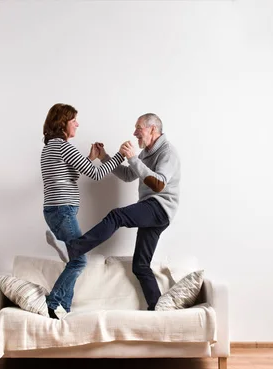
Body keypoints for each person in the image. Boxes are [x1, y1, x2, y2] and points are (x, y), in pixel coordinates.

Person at [47, 113, 181, 310]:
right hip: (152, 210)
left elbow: (159, 184)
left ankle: (74, 248)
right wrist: (105, 158)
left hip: (160, 207)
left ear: (153, 129)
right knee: (140, 266)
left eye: (139, 128)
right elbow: (128, 175)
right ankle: (159, 310)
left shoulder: (168, 152)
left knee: (117, 216)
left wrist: (133, 158)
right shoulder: (146, 153)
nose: (135, 133)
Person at [41, 103, 127, 319]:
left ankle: (64, 310)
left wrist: (90, 158)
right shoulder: (63, 146)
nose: (77, 124)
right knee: (79, 260)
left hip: (53, 211)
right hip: (63, 211)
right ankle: (52, 303)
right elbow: (95, 175)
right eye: (73, 121)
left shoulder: (49, 147)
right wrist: (119, 156)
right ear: (62, 123)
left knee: (74, 259)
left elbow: (71, 175)